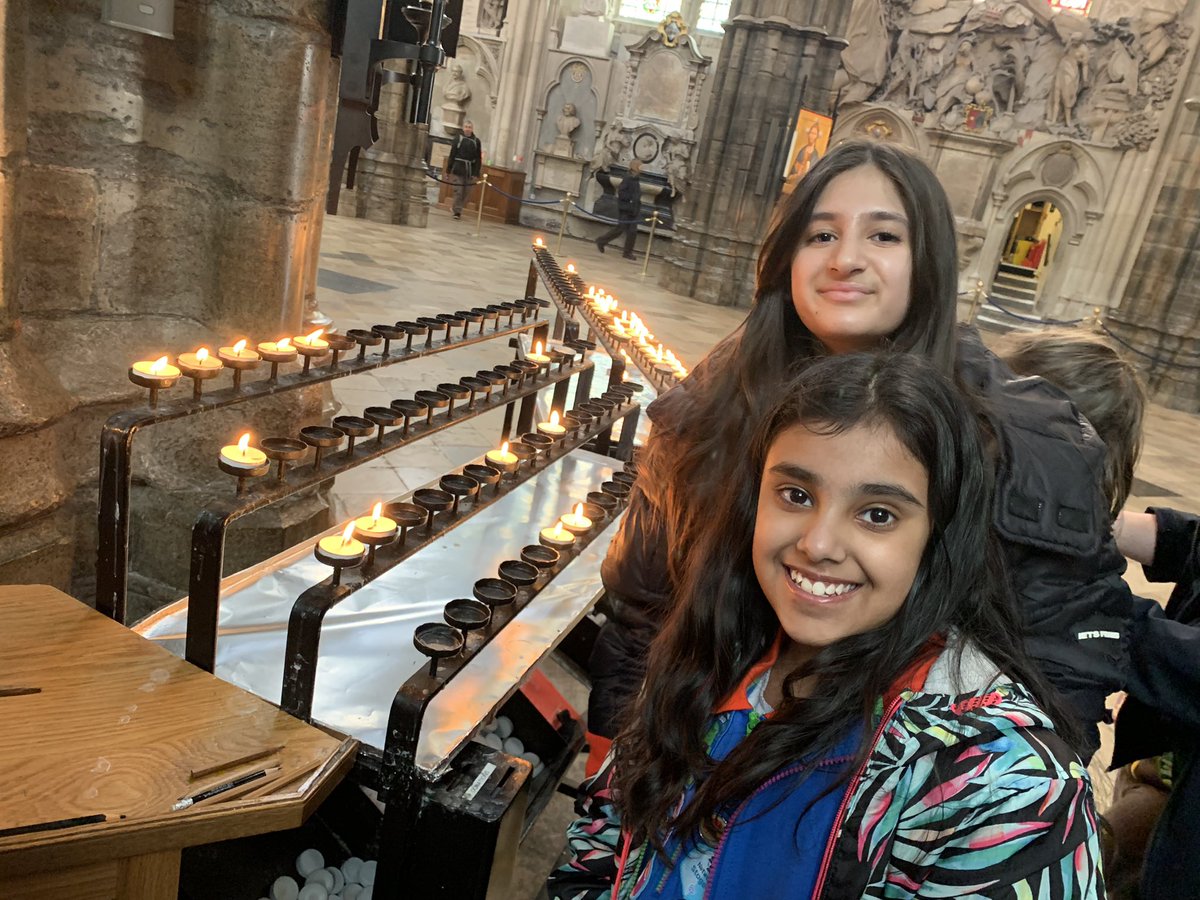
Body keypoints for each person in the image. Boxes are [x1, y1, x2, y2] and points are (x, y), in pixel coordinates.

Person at [588, 139, 1190, 775]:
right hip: (695, 764)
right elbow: (639, 610)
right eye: (820, 235)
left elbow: (1058, 670)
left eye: (883, 237)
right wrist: (613, 773)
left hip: (887, 805)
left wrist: (960, 824)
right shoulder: (712, 405)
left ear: (927, 262)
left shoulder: (1018, 439)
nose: (845, 259)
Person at [549, 353, 1103, 899]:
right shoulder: (711, 658)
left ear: (939, 538)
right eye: (796, 495)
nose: (817, 544)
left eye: (878, 514)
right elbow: (601, 846)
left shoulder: (1005, 785)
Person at [596, 160, 642, 260]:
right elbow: (622, 192)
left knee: (632, 231)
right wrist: (629, 200)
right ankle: (601, 241)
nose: (642, 168)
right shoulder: (628, 178)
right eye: (640, 166)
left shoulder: (636, 179)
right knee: (620, 229)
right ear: (635, 167)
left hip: (633, 209)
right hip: (626, 209)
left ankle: (627, 252)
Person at [447, 120, 482, 220]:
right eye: (466, 127)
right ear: (463, 128)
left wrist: (476, 172)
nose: (467, 129)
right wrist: (448, 170)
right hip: (458, 168)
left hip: (469, 170)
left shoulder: (476, 141)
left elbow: (478, 158)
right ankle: (457, 212)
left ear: (472, 129)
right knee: (458, 191)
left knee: (466, 193)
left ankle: (456, 208)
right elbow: (452, 154)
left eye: (469, 127)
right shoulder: (458, 138)